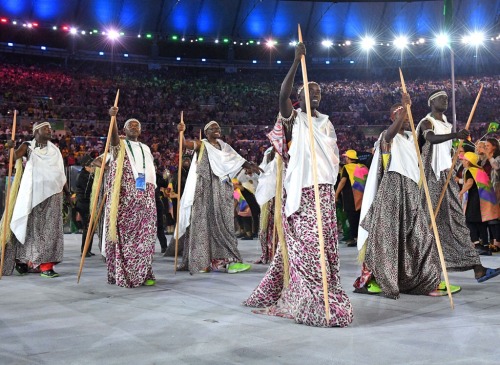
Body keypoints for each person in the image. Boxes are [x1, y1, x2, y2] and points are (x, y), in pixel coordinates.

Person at [243, 42, 353, 327]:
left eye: (318, 92)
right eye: (308, 91)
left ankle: (325, 293)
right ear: (299, 97)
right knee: (308, 248)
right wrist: (295, 62)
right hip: (303, 192)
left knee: (325, 246)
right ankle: (310, 296)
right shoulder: (295, 121)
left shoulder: (327, 124)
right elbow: (282, 96)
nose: (314, 95)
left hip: (325, 191)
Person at [354, 101, 449, 298]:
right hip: (392, 190)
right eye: (402, 118)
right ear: (393, 118)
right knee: (388, 239)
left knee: (422, 238)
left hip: (412, 191)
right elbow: (389, 135)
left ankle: (424, 281)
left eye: (409, 118)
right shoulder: (387, 137)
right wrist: (403, 110)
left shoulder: (413, 140)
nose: (407, 121)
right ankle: (381, 281)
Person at [417, 90, 500, 283]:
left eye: (446, 98)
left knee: (457, 223)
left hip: (446, 176)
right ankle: (421, 269)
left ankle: (478, 268)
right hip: (432, 178)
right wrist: (455, 135)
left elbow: (445, 149)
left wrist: (454, 148)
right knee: (429, 224)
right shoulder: (427, 122)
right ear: (431, 102)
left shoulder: (446, 123)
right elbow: (430, 139)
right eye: (440, 98)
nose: (445, 100)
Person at [176, 120, 262, 274]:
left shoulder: (225, 147)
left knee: (225, 223)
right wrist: (181, 134)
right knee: (202, 223)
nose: (217, 129)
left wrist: (250, 166)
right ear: (206, 131)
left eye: (218, 128)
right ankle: (203, 262)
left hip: (222, 189)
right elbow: (186, 145)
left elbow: (238, 160)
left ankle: (227, 261)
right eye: (212, 128)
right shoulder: (202, 145)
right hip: (205, 189)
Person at [3, 121, 69, 278]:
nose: (49, 131)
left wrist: (67, 192)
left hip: (54, 195)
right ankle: (23, 261)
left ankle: (46, 265)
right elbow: (14, 156)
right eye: (46, 128)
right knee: (29, 228)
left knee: (50, 231)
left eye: (50, 128)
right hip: (33, 195)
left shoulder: (55, 150)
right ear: (36, 131)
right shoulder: (28, 146)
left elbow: (60, 174)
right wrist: (10, 147)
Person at [105, 107, 157, 288]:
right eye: (130, 125)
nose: (134, 127)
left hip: (146, 197)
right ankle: (126, 273)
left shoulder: (146, 148)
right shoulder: (120, 145)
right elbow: (112, 141)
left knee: (147, 237)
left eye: (137, 125)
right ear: (124, 130)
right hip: (127, 198)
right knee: (127, 236)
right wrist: (113, 119)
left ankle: (144, 271)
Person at [458, 152, 500, 251]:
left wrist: (461, 192)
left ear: (468, 161)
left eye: (464, 159)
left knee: (469, 221)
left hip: (474, 200)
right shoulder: (480, 170)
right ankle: (485, 245)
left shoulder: (469, 171)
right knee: (481, 223)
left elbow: (470, 182)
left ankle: (477, 244)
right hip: (483, 200)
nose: (462, 161)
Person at [335, 149, 368, 247]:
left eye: (346, 157)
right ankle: (362, 237)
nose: (345, 158)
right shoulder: (364, 167)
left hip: (351, 197)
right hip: (363, 196)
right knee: (361, 217)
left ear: (349, 158)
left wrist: (336, 194)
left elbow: (343, 182)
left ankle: (355, 238)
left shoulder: (347, 167)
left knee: (352, 218)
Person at [164, 154, 192, 257]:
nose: (186, 161)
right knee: (180, 225)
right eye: (184, 159)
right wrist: (179, 196)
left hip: (190, 203)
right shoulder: (176, 175)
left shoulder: (193, 174)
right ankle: (178, 248)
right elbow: (169, 192)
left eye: (188, 159)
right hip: (179, 204)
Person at [75, 154, 96, 257]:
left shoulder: (88, 175)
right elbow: (88, 191)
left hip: (86, 203)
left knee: (90, 227)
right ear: (86, 166)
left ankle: (88, 249)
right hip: (84, 203)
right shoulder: (84, 177)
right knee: (87, 227)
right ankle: (84, 250)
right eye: (92, 166)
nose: (93, 168)